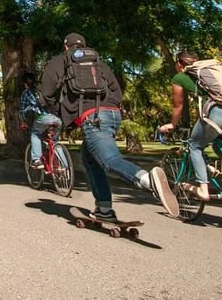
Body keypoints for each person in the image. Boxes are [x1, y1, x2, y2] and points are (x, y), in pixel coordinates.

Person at [41, 32, 178, 221]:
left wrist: (64, 112)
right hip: (113, 114)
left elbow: (47, 94)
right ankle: (104, 209)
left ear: (66, 47)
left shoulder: (60, 61)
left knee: (109, 160)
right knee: (90, 160)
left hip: (93, 118)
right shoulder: (98, 63)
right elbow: (116, 90)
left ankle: (147, 180)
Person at [158, 50, 222, 201]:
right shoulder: (212, 74)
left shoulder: (180, 77)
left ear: (179, 63)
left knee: (195, 146)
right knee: (220, 147)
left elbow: (178, 106)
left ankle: (203, 190)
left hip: (217, 113)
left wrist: (172, 124)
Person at [19, 72, 62, 169]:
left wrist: (23, 121)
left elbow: (22, 109)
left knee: (35, 135)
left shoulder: (26, 93)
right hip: (56, 118)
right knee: (55, 141)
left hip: (42, 118)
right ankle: (64, 165)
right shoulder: (44, 90)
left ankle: (37, 160)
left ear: (25, 84)